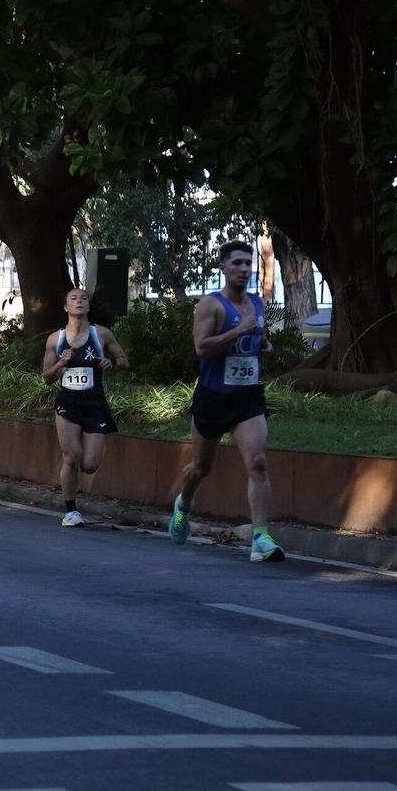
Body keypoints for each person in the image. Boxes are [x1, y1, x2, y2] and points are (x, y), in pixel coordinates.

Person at [167, 240, 284, 563]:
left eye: (248, 264)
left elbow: (253, 337)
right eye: (237, 263)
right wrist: (238, 332)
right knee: (200, 467)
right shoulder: (211, 305)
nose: (244, 269)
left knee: (258, 461)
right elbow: (202, 348)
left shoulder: (257, 303)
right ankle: (184, 506)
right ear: (223, 267)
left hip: (247, 397)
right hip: (213, 397)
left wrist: (262, 345)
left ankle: (260, 537)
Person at [42, 287, 130, 527]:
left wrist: (110, 362)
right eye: (74, 298)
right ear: (66, 307)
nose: (79, 301)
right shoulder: (55, 339)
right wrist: (61, 362)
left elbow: (124, 361)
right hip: (68, 404)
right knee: (71, 457)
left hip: (95, 404)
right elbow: (47, 377)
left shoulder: (101, 334)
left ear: (88, 306)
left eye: (83, 298)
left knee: (89, 464)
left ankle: (77, 482)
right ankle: (71, 511)